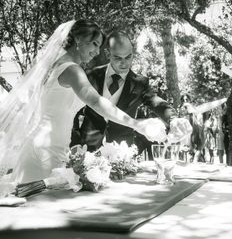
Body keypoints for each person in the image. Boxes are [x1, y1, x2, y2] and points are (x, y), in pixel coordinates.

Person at [0, 20, 167, 184]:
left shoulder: (55, 66)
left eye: (99, 47)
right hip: (46, 151)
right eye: (94, 44)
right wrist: (136, 124)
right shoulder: (72, 69)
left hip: (50, 147)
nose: (96, 52)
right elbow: (95, 101)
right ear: (78, 39)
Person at [70, 31, 191, 152]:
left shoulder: (140, 83)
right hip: (87, 147)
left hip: (121, 150)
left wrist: (173, 119)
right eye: (118, 58)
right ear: (108, 54)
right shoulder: (90, 75)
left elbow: (156, 102)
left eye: (128, 57)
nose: (124, 63)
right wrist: (75, 142)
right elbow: (72, 109)